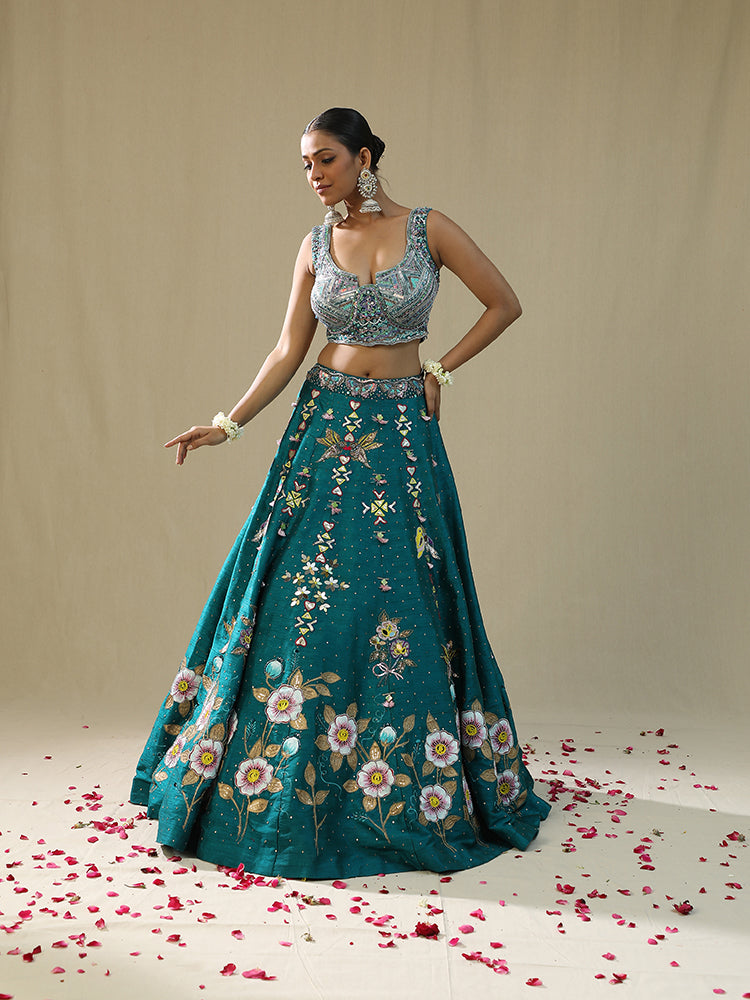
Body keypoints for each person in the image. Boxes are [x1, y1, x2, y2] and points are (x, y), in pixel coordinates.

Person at [130, 108, 550, 878]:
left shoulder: (428, 229)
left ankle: (393, 789)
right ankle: (287, 787)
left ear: (363, 157)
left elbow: (504, 303)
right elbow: (288, 348)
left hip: (400, 436)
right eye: (305, 164)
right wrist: (226, 424)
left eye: (325, 158)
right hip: (323, 429)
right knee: (300, 598)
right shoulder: (314, 244)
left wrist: (441, 368)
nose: (314, 175)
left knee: (402, 600)